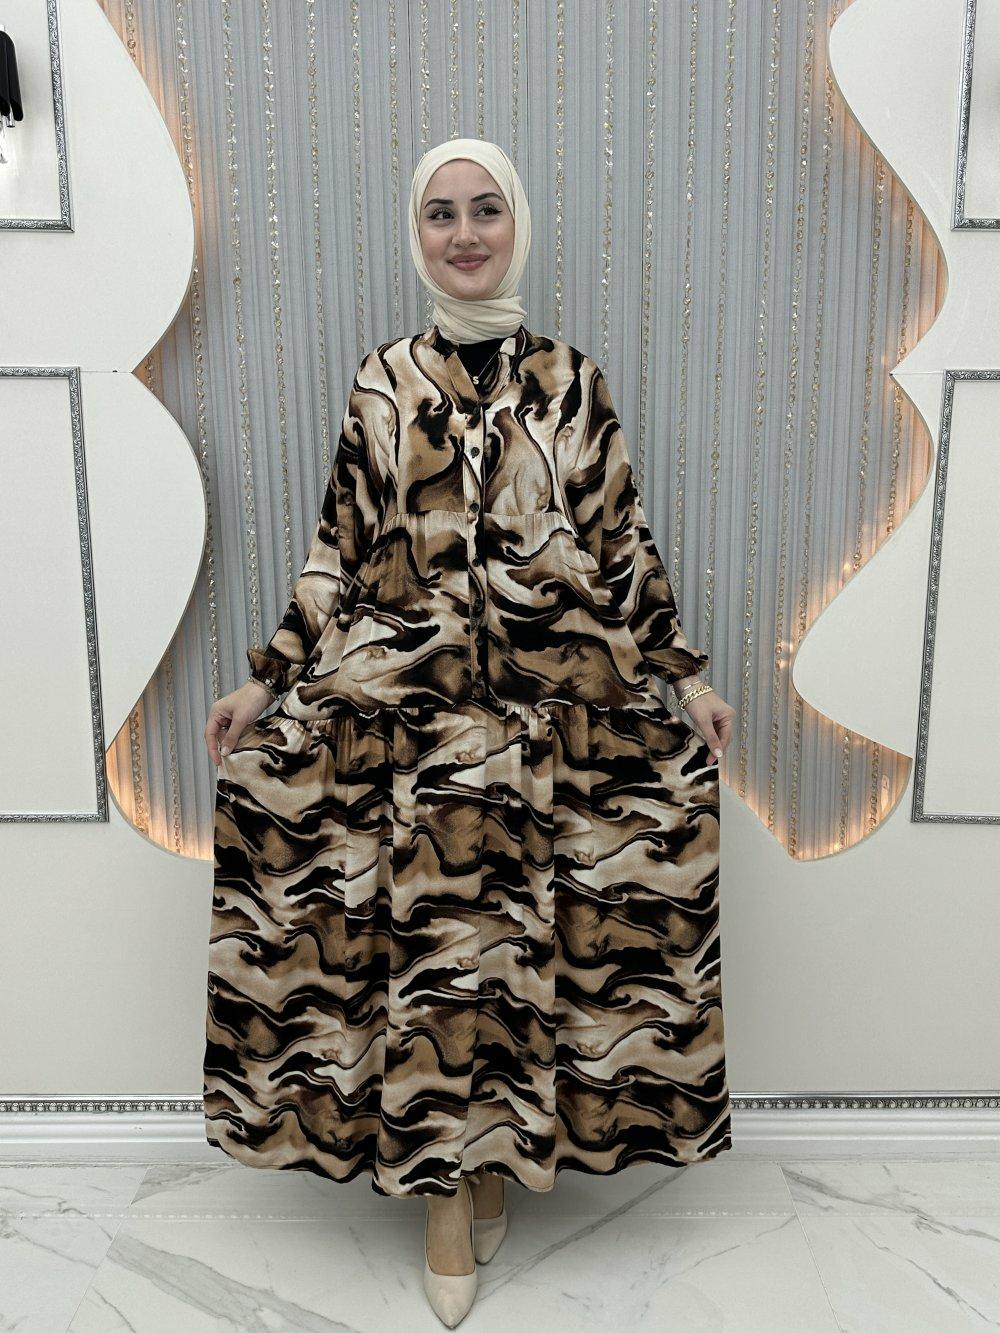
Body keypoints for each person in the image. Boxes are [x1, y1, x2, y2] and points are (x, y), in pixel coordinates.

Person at [204, 137, 735, 1328]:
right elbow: (339, 547)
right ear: (417, 233)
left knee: (522, 952)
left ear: (517, 224)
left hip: (552, 717)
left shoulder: (572, 381)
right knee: (436, 957)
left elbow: (620, 543)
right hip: (410, 716)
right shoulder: (382, 381)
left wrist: (682, 678)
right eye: (440, 213)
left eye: (484, 209)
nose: (463, 233)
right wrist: (265, 679)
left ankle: (492, 1162)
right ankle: (447, 1196)